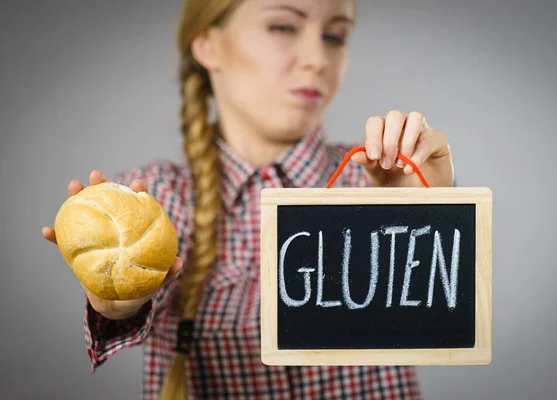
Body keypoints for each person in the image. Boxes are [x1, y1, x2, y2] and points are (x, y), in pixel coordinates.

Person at [42, 0, 454, 398]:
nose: (317, 59)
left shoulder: (380, 181)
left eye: (334, 36)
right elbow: (120, 315)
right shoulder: (154, 199)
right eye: (283, 26)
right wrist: (116, 299)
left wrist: (432, 222)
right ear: (208, 45)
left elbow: (444, 326)